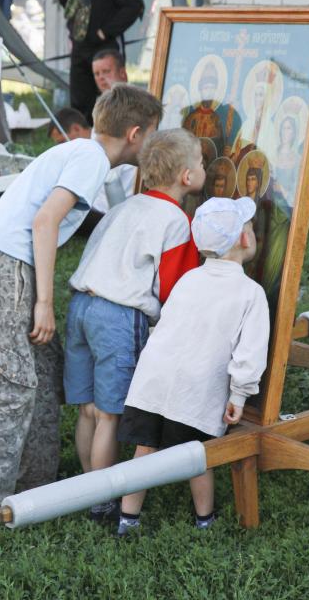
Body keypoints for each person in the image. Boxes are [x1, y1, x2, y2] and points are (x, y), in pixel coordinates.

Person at [0, 84, 162, 520]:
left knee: (45, 375)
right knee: (8, 383)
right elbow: (46, 221)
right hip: (3, 263)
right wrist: (44, 302)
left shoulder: (83, 153)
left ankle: (36, 482)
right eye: (155, 133)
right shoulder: (90, 159)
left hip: (13, 264)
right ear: (136, 133)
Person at [63, 128, 205, 522]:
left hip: (81, 306)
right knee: (110, 415)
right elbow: (176, 290)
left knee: (89, 409)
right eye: (201, 163)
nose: (203, 169)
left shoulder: (126, 206)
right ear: (187, 177)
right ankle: (102, 500)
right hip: (119, 316)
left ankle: (86, 487)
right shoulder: (176, 221)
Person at [117, 196, 270, 536]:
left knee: (145, 448)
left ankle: (128, 518)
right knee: (197, 457)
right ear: (245, 239)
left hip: (153, 379)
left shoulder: (188, 279)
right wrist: (240, 396)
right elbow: (250, 354)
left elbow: (167, 323)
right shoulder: (251, 293)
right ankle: (204, 520)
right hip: (197, 388)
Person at [57, 0, 143, 123]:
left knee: (113, 96)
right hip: (80, 45)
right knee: (80, 100)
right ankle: (84, 141)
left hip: (105, 47)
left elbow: (133, 6)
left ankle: (117, 136)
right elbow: (73, 6)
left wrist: (106, 32)